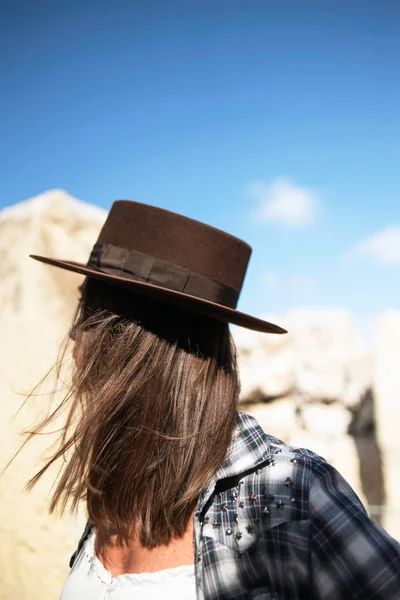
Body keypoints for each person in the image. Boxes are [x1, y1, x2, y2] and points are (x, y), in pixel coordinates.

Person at [28, 199, 400, 600]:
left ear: (128, 341)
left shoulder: (289, 491)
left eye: (86, 310)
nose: (73, 336)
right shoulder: (113, 485)